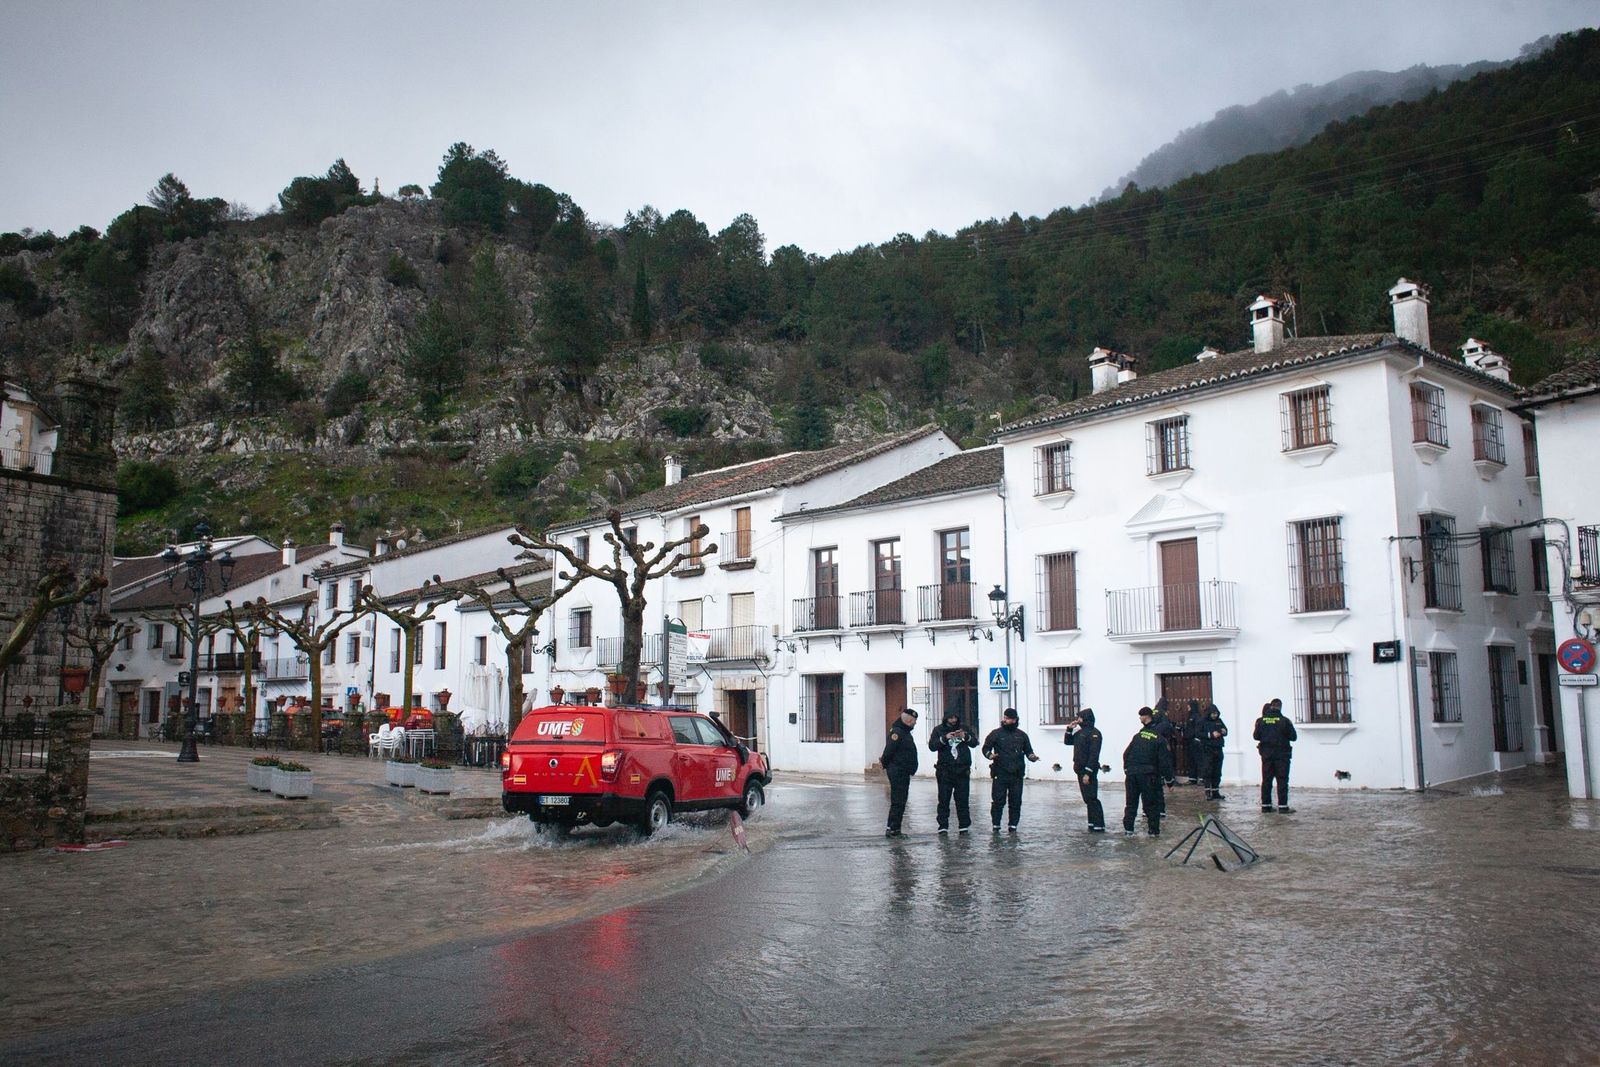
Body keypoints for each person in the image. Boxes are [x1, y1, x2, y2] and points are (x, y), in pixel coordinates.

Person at [982, 707, 1039, 832]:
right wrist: (989, 755)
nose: (1009, 721)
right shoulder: (996, 734)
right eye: (1007, 718)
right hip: (1000, 772)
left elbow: (1028, 751)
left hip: (1017, 773)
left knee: (1016, 801)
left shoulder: (1022, 735)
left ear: (1016, 720)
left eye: (1012, 719)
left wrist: (1032, 757)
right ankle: (996, 824)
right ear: (1004, 718)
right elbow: (985, 748)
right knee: (998, 800)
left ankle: (1013, 825)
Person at [1123, 706, 1174, 836]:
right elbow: (1165, 763)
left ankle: (1128, 830)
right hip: (1148, 776)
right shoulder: (1159, 739)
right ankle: (1153, 832)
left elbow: (1126, 754)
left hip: (1132, 775)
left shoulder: (1138, 736)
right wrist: (1169, 781)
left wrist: (1127, 769)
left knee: (1131, 804)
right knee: (1151, 805)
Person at [928, 710, 977, 832]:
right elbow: (932, 746)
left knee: (963, 799)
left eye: (955, 718)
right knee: (944, 799)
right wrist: (944, 738)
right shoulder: (938, 730)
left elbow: (974, 743)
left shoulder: (964, 728)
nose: (953, 720)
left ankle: (964, 825)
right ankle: (943, 826)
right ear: (946, 719)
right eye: (950, 718)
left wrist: (965, 736)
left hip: (962, 769)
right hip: (945, 770)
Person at [880, 707, 920, 837]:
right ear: (908, 721)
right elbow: (889, 751)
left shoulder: (904, 731)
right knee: (898, 801)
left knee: (900, 801)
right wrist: (886, 765)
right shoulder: (897, 732)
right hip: (898, 771)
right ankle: (893, 829)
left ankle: (894, 828)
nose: (915, 723)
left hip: (903, 771)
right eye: (914, 720)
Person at [1064, 708, 1106, 832]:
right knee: (1087, 798)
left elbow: (1094, 754)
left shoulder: (1095, 733)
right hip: (1079, 769)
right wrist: (1069, 729)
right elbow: (1068, 742)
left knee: (1092, 797)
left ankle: (1099, 823)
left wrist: (1088, 772)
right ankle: (1092, 822)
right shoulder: (1080, 733)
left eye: (1080, 717)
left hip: (1089, 770)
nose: (1077, 720)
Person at [1254, 698, 1297, 813]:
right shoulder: (1285, 721)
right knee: (1282, 780)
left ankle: (1266, 805)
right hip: (1282, 755)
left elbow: (1256, 736)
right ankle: (1283, 807)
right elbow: (1293, 737)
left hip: (1266, 755)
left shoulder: (1261, 721)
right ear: (1280, 707)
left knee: (1267, 780)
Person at [1197, 702, 1228, 800]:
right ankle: (1208, 791)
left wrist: (1224, 731)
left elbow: (1225, 730)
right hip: (1207, 749)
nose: (1215, 715)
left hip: (1218, 749)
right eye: (1213, 713)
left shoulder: (1219, 721)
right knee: (1208, 770)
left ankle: (1215, 791)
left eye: (1216, 713)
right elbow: (1198, 733)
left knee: (1217, 771)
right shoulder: (1202, 721)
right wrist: (1210, 734)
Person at [1183, 699, 1205, 784]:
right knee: (1191, 760)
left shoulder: (1196, 716)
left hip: (1195, 742)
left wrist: (1195, 737)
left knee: (1198, 759)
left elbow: (1196, 729)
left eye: (1189, 705)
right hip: (1189, 741)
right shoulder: (1190, 716)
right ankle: (1192, 778)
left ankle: (1201, 777)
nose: (1188, 707)